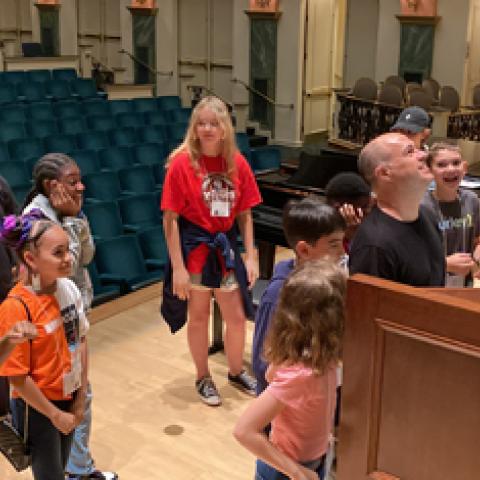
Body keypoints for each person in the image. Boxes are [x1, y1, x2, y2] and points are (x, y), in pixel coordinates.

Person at [161, 96, 262, 406]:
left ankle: (234, 371)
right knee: (199, 317)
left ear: (224, 128)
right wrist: (178, 266)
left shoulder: (237, 162)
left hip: (226, 248)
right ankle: (203, 377)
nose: (206, 129)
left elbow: (245, 213)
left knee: (235, 316)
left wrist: (252, 253)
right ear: (194, 128)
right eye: (201, 123)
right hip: (196, 249)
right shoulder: (181, 164)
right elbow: (170, 220)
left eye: (213, 123)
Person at [23, 153, 117, 480]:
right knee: (68, 398)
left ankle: (78, 467)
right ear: (52, 186)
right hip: (51, 324)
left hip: (73, 314)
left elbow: (88, 254)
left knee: (80, 394)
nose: (81, 185)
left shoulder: (66, 211)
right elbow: (70, 265)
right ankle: (75, 469)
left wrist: (74, 217)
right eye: (73, 180)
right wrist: (72, 218)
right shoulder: (37, 219)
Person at [234, 260, 345, 480]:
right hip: (286, 470)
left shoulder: (321, 355)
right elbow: (243, 431)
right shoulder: (302, 374)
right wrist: (297, 473)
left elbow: (270, 375)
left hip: (313, 458)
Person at [0, 210, 88, 480]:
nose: (68, 258)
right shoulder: (16, 307)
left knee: (59, 469)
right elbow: (17, 377)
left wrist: (80, 399)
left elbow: (82, 341)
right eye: (58, 253)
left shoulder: (68, 289)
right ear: (30, 259)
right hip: (38, 408)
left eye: (68, 250)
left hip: (69, 395)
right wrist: (53, 414)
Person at [252, 198, 346, 396]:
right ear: (304, 250)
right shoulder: (277, 295)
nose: (342, 252)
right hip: (286, 406)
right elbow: (262, 363)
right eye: (334, 245)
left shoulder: (324, 284)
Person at [349, 132, 445, 286]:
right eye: (410, 151)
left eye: (418, 149)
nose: (423, 154)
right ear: (384, 173)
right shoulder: (374, 245)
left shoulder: (428, 215)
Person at [421, 142, 480, 286]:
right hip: (432, 284)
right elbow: (411, 254)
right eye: (441, 165)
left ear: (464, 168)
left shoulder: (472, 200)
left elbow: (477, 237)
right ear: (429, 171)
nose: (451, 169)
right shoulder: (421, 206)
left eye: (456, 163)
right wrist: (445, 264)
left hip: (465, 283)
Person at [325, 172, 373, 254]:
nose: (368, 211)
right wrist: (354, 237)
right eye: (363, 207)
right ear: (339, 209)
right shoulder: (323, 235)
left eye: (368, 206)